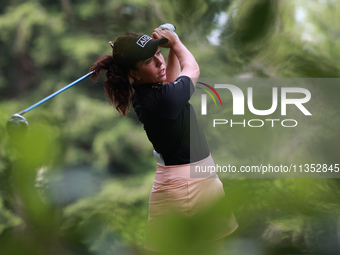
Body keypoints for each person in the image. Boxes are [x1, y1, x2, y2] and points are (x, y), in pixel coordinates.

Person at [89, 26, 238, 254]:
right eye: (149, 61)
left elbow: (171, 82)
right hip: (188, 188)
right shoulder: (159, 101)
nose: (159, 63)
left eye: (157, 54)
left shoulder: (152, 94)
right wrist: (175, 44)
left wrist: (167, 51)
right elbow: (192, 69)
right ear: (134, 73)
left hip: (191, 182)